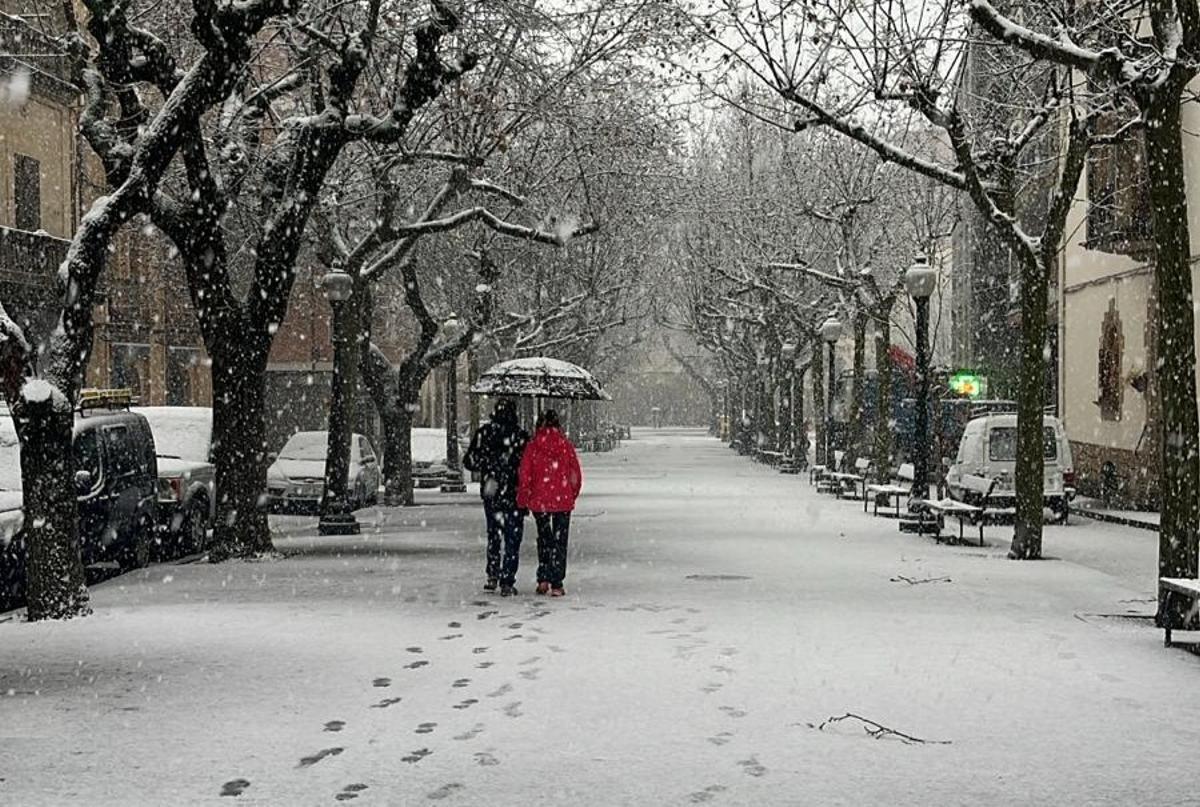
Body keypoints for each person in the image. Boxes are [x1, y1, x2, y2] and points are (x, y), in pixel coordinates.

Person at [463, 399, 528, 596]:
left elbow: (469, 461)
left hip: (492, 490)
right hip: (514, 492)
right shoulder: (521, 436)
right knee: (513, 537)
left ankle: (493, 574)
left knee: (494, 533)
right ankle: (507, 578)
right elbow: (528, 465)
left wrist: (487, 467)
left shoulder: (485, 434)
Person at [517, 409, 582, 597]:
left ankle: (543, 577)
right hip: (562, 499)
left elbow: (525, 474)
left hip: (540, 500)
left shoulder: (533, 446)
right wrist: (571, 494)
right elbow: (575, 474)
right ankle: (557, 582)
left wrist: (525, 497)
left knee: (544, 538)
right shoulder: (565, 445)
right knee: (560, 541)